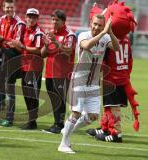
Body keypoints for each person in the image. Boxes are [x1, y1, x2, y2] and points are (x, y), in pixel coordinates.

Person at [58, 14, 119, 154]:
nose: (97, 27)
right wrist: (104, 32)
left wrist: (110, 33)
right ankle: (63, 144)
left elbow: (116, 48)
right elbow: (87, 45)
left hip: (93, 83)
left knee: (92, 117)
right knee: (76, 113)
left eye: (100, 25)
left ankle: (67, 129)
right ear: (90, 23)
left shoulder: (105, 37)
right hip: (79, 80)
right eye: (95, 24)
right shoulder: (83, 35)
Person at [86, 0, 139, 143]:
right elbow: (130, 60)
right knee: (108, 105)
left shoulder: (109, 40)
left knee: (113, 106)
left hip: (113, 78)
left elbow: (104, 60)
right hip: (121, 76)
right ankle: (105, 128)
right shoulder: (126, 40)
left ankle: (116, 133)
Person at [0, 0, 26, 126]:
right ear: (4, 7)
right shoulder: (1, 20)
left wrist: (2, 39)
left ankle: (9, 118)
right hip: (1, 54)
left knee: (9, 89)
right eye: (7, 8)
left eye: (11, 7)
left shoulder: (19, 23)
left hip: (13, 57)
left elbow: (16, 44)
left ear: (15, 7)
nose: (9, 10)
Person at [41, 10, 76, 134]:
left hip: (62, 74)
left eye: (57, 20)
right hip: (49, 73)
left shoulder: (69, 35)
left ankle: (60, 124)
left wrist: (56, 42)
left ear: (63, 21)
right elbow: (42, 54)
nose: (54, 22)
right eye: (53, 19)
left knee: (59, 100)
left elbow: (68, 51)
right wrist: (46, 44)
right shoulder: (51, 34)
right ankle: (57, 123)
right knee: (53, 100)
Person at [7, 8, 44, 128]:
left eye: (34, 17)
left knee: (32, 95)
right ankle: (31, 120)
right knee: (26, 94)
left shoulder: (38, 32)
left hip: (34, 68)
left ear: (37, 19)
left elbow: (39, 50)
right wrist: (14, 45)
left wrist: (22, 46)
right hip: (25, 67)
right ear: (26, 18)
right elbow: (22, 49)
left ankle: (33, 122)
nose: (31, 19)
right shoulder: (25, 31)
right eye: (29, 17)